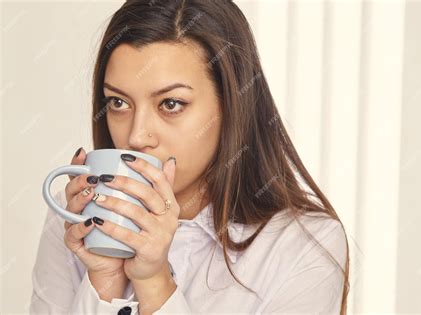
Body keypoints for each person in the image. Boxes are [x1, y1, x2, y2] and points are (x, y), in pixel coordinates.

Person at [30, 0, 350, 314]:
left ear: (231, 105)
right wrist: (105, 279)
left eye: (170, 104)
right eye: (118, 102)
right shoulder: (72, 221)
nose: (137, 135)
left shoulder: (304, 245)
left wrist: (155, 284)